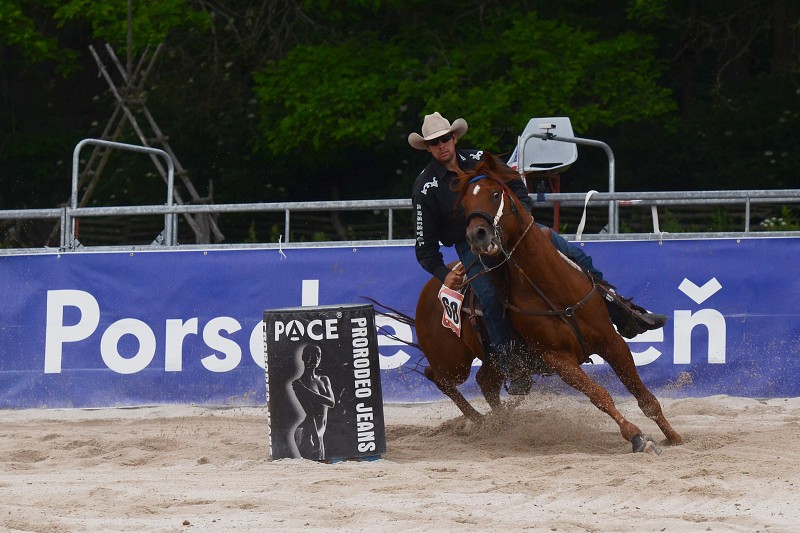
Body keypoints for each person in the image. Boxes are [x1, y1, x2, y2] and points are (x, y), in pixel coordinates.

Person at [409, 112, 666, 395]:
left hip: (513, 227)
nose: (441, 145)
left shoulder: (482, 160)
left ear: (454, 137)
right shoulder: (426, 187)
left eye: (445, 138)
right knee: (490, 297)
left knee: (575, 257)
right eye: (434, 143)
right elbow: (425, 248)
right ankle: (509, 362)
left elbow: (516, 184)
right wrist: (445, 275)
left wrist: (522, 218)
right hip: (473, 244)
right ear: (428, 148)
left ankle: (623, 311)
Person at [292, 344, 336, 460]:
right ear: (303, 357)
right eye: (311, 354)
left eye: (318, 355)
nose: (315, 358)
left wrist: (307, 391)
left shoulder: (324, 379)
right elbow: (309, 411)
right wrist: (316, 439)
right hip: (309, 431)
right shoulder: (299, 383)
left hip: (319, 431)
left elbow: (331, 402)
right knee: (312, 465)